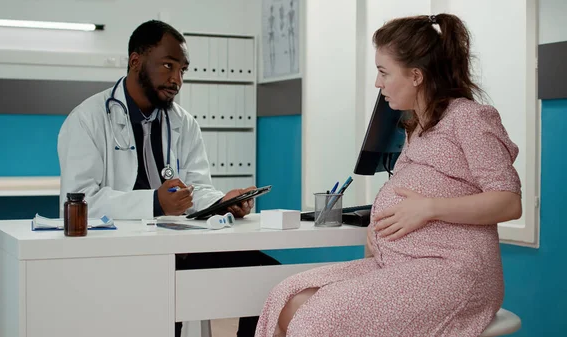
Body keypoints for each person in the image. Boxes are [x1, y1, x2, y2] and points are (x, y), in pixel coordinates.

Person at [255, 13, 522, 337]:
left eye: (383, 72)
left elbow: (508, 202)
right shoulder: (417, 127)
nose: (377, 83)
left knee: (321, 315)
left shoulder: (469, 118)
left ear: (415, 75)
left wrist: (429, 208)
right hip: (403, 263)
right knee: (288, 296)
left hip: (455, 272)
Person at [57, 20, 279, 337]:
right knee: (162, 294)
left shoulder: (183, 123)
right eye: (167, 66)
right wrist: (154, 203)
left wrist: (221, 203)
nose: (176, 80)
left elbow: (196, 188)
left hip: (180, 250)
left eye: (182, 70)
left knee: (264, 276)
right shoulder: (87, 120)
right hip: (118, 258)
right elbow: (79, 202)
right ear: (136, 62)